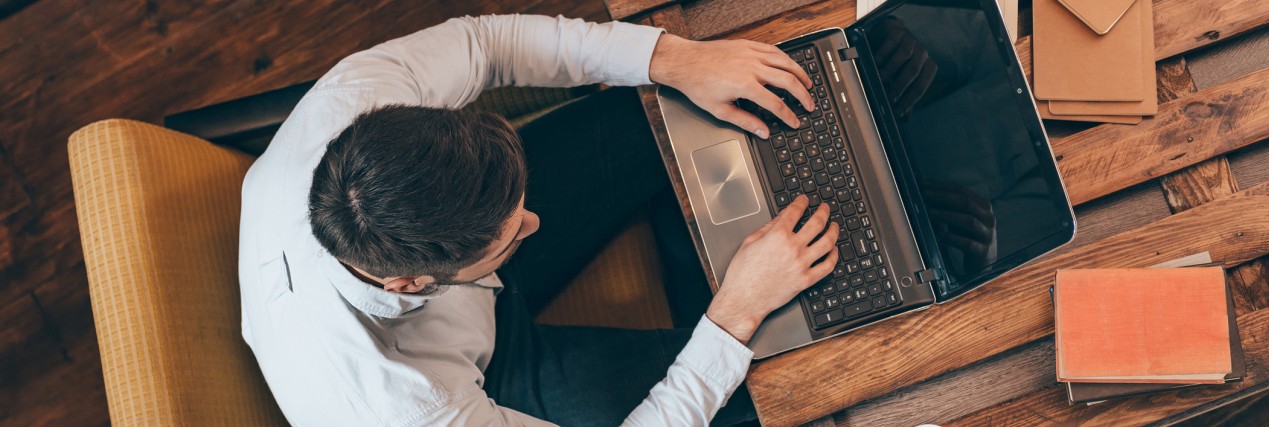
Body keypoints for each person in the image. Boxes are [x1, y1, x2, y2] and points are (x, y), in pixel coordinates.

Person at [238, 14, 839, 426]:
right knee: (773, 379)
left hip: (449, 254)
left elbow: (485, 45)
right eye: (511, 235)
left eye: (520, 208)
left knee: (663, 104)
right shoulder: (409, 409)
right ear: (411, 283)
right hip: (489, 379)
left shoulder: (357, 99)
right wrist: (735, 314)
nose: (536, 224)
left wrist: (675, 58)